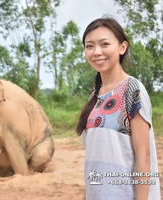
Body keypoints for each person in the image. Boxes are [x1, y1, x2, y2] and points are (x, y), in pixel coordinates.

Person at [76, 17, 161, 200]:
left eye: (104, 44)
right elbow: (94, 161)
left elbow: (143, 156)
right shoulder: (94, 98)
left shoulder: (132, 90)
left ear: (122, 47)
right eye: (90, 46)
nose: (97, 52)